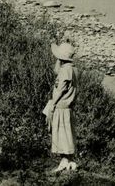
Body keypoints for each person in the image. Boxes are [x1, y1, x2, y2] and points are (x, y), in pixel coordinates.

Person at [42, 41, 77, 172]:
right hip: (68, 106)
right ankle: (70, 160)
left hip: (61, 106)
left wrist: (53, 105)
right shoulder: (72, 69)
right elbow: (56, 71)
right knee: (68, 133)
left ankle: (64, 161)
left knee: (61, 133)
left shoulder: (65, 71)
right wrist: (59, 58)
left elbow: (60, 89)